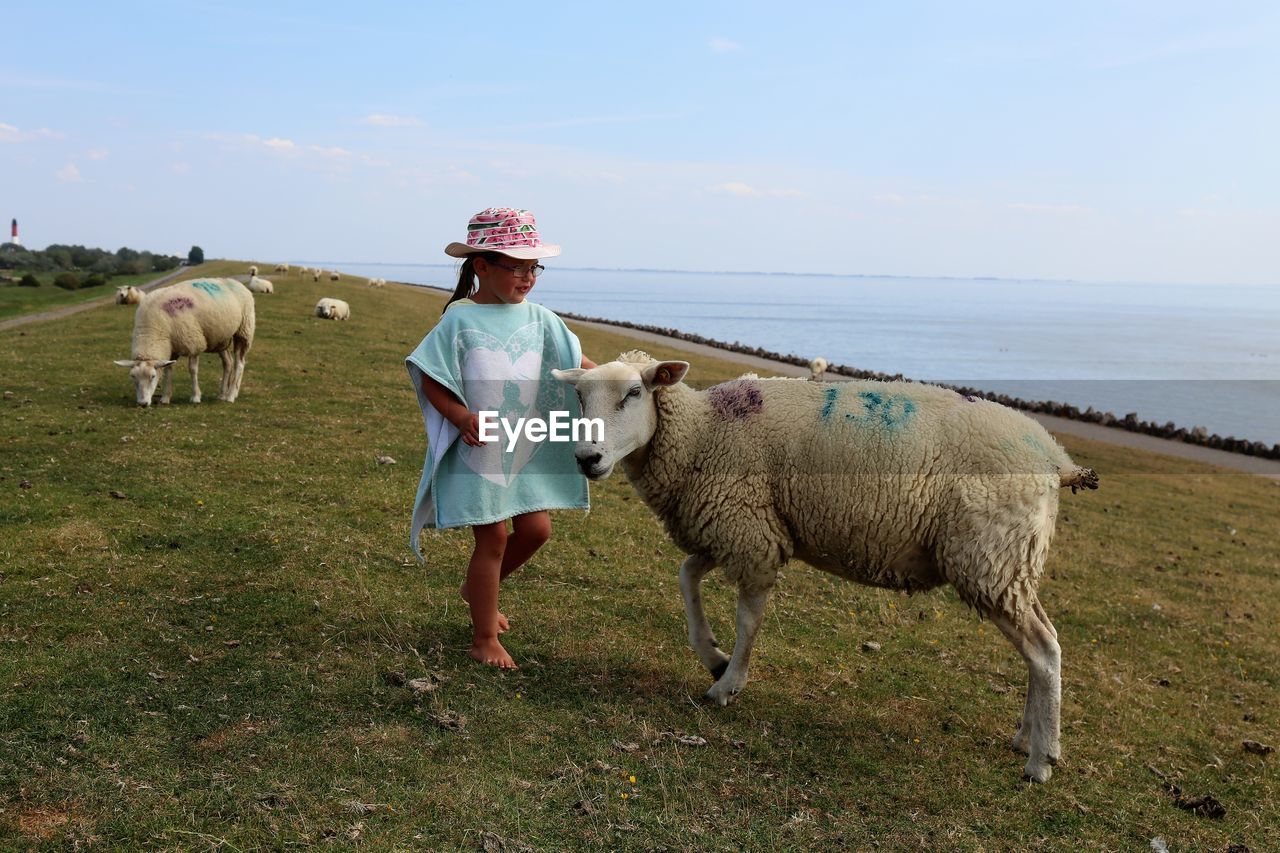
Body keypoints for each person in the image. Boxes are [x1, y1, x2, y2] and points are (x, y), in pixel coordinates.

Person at [406, 208, 596, 669]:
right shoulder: (458, 322)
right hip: (482, 448)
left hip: (526, 445)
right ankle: (484, 636)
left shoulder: (542, 319)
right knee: (491, 539)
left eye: (534, 267)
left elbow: (577, 361)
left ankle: (477, 591)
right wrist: (459, 415)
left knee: (537, 530)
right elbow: (430, 375)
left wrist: (621, 379)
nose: (528, 277)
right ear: (482, 266)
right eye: (518, 266)